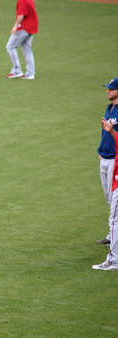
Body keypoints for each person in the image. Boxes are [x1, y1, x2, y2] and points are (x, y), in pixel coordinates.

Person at [93, 97, 118, 272]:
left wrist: (111, 132)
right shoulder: (109, 107)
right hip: (109, 161)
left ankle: (114, 259)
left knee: (114, 217)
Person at [97, 78, 118, 247]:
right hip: (104, 156)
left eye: (111, 89)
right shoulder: (109, 108)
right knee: (109, 197)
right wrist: (100, 150)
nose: (108, 91)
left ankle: (113, 236)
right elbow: (105, 130)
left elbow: (113, 132)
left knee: (115, 200)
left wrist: (110, 132)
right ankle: (113, 233)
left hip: (115, 159)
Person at [5, 0, 38, 80]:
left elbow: (21, 15)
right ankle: (30, 73)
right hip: (32, 26)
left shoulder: (22, 1)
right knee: (27, 49)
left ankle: (17, 71)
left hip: (24, 27)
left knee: (10, 47)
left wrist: (15, 26)